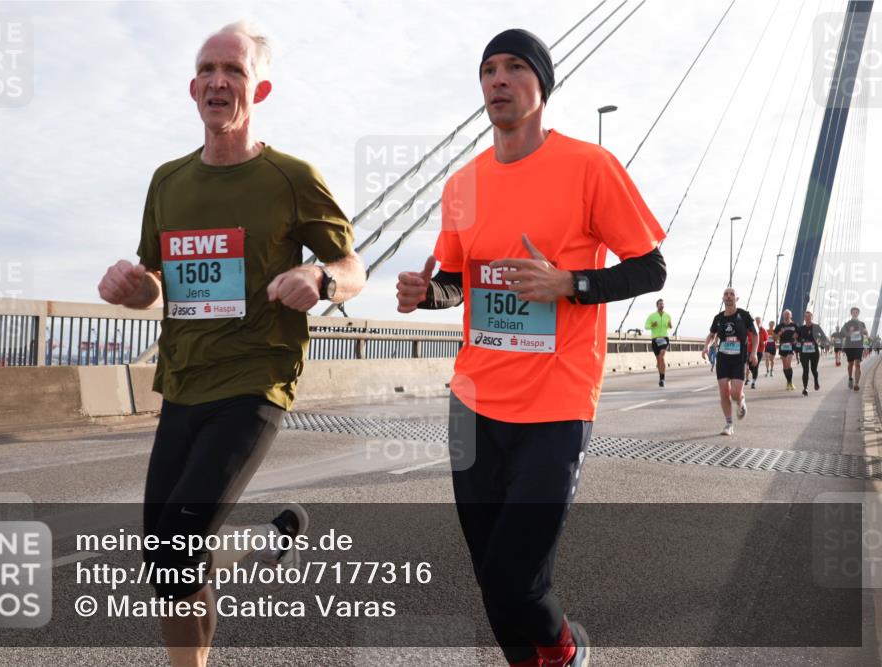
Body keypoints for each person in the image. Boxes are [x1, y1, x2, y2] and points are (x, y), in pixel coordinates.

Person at [97, 22, 365, 667]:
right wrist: (131, 288)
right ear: (193, 89)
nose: (218, 81)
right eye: (207, 70)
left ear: (259, 89)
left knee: (175, 548)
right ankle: (267, 542)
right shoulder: (168, 182)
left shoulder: (291, 177)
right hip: (184, 381)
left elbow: (352, 267)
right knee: (167, 563)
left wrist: (320, 278)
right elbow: (155, 282)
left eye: (234, 70)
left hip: (254, 380)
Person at [396, 28, 665, 667]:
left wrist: (570, 283)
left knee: (516, 577)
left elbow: (650, 269)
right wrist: (425, 294)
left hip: (556, 404)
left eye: (515, 66)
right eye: (489, 69)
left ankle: (565, 651)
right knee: (490, 576)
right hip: (474, 402)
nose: (499, 79)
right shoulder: (463, 185)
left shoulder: (589, 167)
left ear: (542, 85)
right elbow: (456, 284)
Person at [702, 287, 758, 436]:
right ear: (723, 299)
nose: (728, 296)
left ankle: (740, 400)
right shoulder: (718, 318)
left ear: (736, 298)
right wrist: (706, 346)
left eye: (732, 294)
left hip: (739, 359)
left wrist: (754, 353)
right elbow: (712, 335)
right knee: (724, 393)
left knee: (735, 394)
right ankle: (729, 424)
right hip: (723, 359)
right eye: (726, 294)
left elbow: (755, 334)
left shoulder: (744, 315)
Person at [796, 310, 827, 396]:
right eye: (806, 316)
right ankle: (805, 388)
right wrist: (798, 343)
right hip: (804, 352)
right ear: (804, 318)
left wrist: (819, 340)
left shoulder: (816, 327)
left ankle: (816, 381)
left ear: (812, 317)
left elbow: (824, 337)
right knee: (805, 370)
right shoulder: (801, 328)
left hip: (814, 352)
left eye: (809, 316)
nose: (807, 318)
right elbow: (797, 339)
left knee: (814, 370)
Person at [840, 306, 870, 391]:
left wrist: (866, 346)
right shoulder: (847, 324)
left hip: (859, 346)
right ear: (851, 313)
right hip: (849, 346)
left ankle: (856, 383)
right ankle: (850, 378)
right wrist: (849, 331)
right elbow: (842, 334)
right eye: (853, 312)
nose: (855, 313)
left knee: (857, 364)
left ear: (858, 314)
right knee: (850, 364)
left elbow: (866, 334)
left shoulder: (862, 324)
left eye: (856, 312)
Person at [645, 298, 673, 387]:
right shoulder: (652, 316)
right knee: (659, 360)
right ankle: (661, 378)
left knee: (662, 356)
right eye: (660, 304)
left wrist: (670, 325)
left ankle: (662, 379)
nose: (662, 305)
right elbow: (646, 326)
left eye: (663, 304)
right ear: (657, 305)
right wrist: (652, 325)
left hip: (664, 338)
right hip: (655, 339)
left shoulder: (667, 315)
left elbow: (670, 326)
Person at [774, 310, 799, 390]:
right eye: (785, 315)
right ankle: (788, 382)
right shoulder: (779, 326)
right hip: (783, 346)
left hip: (791, 346)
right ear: (783, 316)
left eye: (788, 315)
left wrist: (796, 336)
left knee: (788, 364)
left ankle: (790, 382)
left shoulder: (794, 325)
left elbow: (799, 334)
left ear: (791, 316)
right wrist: (779, 334)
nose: (787, 316)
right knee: (785, 366)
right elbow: (774, 338)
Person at [745, 315, 766, 389]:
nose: (757, 323)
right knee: (750, 365)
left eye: (758, 322)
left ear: (760, 322)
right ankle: (754, 373)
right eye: (756, 322)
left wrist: (764, 342)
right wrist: (748, 341)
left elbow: (766, 339)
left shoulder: (763, 330)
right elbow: (745, 337)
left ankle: (753, 382)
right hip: (750, 350)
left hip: (759, 350)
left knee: (756, 365)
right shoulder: (749, 329)